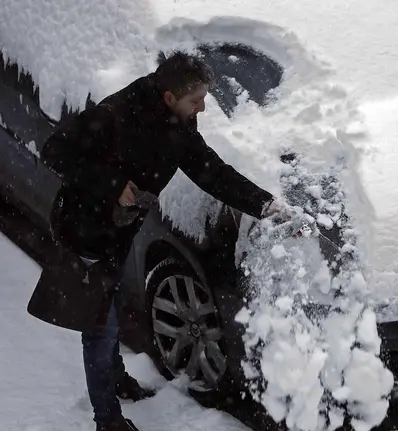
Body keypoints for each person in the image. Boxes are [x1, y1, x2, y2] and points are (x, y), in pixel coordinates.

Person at [33, 51, 291, 431]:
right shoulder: (115, 115)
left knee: (115, 302)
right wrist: (114, 186)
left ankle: (116, 379)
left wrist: (265, 205)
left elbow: (211, 172)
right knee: (99, 330)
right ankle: (107, 420)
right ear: (170, 97)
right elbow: (54, 151)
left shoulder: (179, 124)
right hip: (85, 231)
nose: (203, 106)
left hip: (119, 233)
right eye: (196, 100)